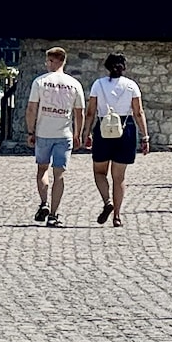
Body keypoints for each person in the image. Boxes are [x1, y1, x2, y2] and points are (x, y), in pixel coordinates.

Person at [85, 52, 149, 227]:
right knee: (119, 177)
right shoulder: (131, 86)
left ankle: (107, 202)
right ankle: (117, 216)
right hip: (125, 129)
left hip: (104, 127)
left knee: (99, 172)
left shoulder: (98, 85)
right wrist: (145, 136)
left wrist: (86, 133)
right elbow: (138, 112)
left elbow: (90, 112)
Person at [25, 46, 85, 227]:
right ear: (64, 61)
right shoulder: (74, 84)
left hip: (44, 132)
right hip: (64, 133)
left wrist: (30, 131)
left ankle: (44, 202)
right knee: (59, 174)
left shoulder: (40, 82)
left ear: (52, 61)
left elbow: (31, 108)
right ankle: (53, 214)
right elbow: (79, 112)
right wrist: (78, 134)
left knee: (42, 169)